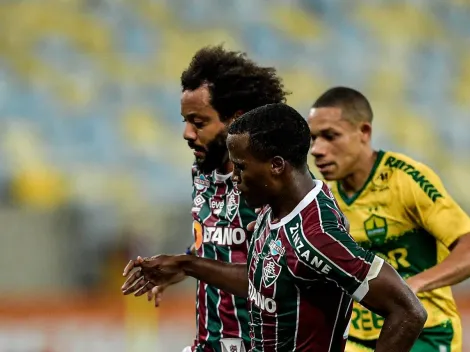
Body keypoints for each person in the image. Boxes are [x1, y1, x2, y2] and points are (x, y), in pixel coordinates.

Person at [121, 103, 427, 352]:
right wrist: (187, 264)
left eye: (241, 167)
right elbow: (266, 282)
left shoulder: (317, 236)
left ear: (277, 165)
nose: (235, 178)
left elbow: (408, 311)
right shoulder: (276, 208)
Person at [123, 45, 288, 352]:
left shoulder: (275, 186)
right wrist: (181, 264)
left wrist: (188, 265)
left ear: (236, 120)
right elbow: (216, 241)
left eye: (198, 123)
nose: (187, 133)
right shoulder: (203, 173)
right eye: (185, 121)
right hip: (209, 344)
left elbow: (273, 281)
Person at [307, 86, 470, 352]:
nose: (317, 149)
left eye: (330, 136)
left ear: (364, 132)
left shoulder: (406, 179)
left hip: (424, 333)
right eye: (313, 138)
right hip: (357, 339)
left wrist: (415, 284)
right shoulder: (324, 196)